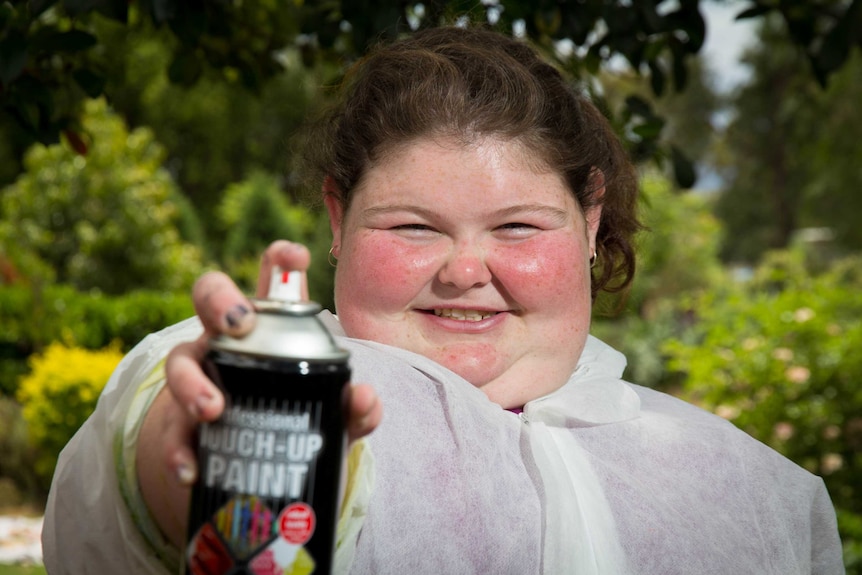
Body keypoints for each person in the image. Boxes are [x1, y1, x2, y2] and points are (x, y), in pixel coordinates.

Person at [42, 26, 844, 574]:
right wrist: (207, 454)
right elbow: (154, 449)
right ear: (336, 218)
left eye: (519, 225)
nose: (466, 269)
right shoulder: (297, 378)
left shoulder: (762, 491)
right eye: (413, 226)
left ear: (590, 221)